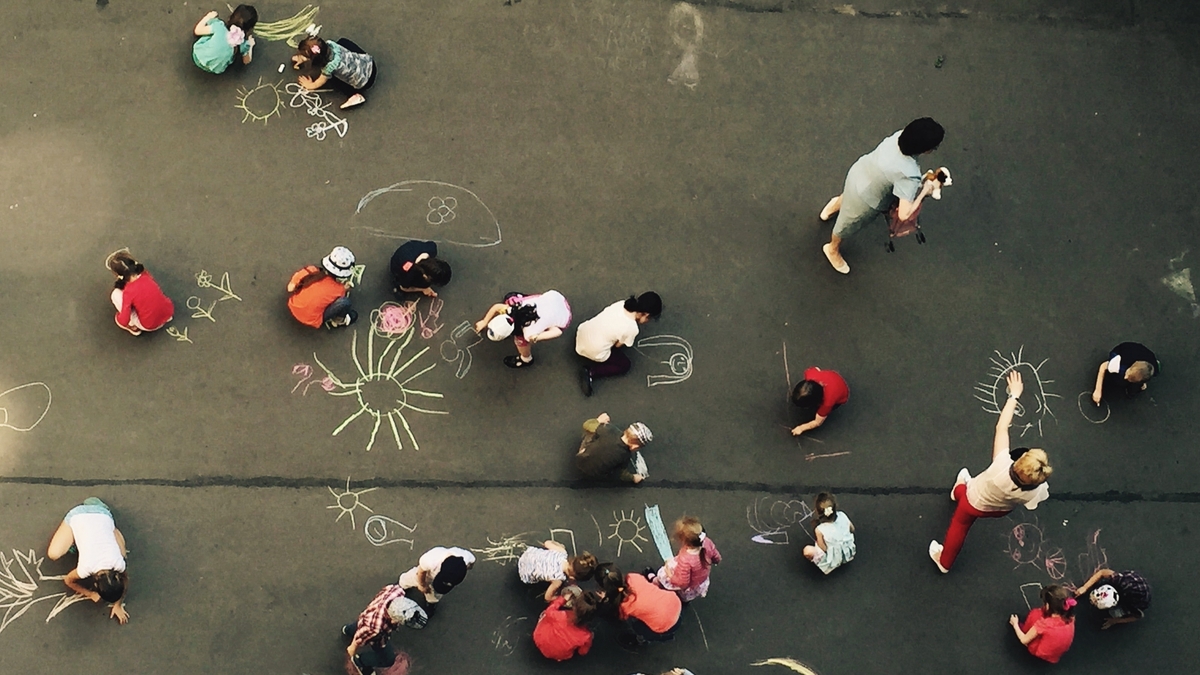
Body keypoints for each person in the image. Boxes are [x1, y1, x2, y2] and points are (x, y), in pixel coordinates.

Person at [929, 371, 1052, 573]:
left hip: (975, 500)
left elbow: (1002, 427)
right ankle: (958, 490)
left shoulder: (1001, 466)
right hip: (998, 509)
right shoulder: (1035, 491)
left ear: (1019, 462)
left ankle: (945, 561)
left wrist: (1014, 395)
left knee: (959, 525)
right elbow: (1031, 503)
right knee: (964, 494)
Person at [818, 117, 945, 274]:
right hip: (867, 200)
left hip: (859, 173)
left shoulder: (897, 137)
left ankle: (835, 205)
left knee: (848, 196)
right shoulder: (909, 175)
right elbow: (904, 214)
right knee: (846, 225)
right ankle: (832, 248)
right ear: (926, 149)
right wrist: (926, 190)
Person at [45, 497, 129, 624]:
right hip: (78, 515)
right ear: (95, 584)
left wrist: (118, 604)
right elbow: (68, 580)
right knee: (53, 554)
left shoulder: (119, 563)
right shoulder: (86, 568)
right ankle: (79, 535)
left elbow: (125, 583)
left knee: (123, 553)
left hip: (103, 515)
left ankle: (102, 515)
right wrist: (89, 594)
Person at [575, 292, 663, 396]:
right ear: (646, 314)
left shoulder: (621, 304)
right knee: (624, 365)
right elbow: (617, 346)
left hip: (582, 334)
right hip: (593, 351)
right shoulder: (632, 328)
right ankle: (591, 372)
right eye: (649, 319)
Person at [342, 584, 427, 675]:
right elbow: (359, 638)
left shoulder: (397, 591)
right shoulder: (376, 628)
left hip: (368, 615)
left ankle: (348, 630)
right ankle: (360, 662)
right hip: (372, 628)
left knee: (361, 625)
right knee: (388, 660)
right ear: (393, 620)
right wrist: (352, 649)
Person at [475, 290, 572, 369]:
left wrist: (538, 337)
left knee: (521, 342)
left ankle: (526, 359)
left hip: (564, 317)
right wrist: (484, 321)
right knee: (513, 301)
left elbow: (557, 331)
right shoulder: (514, 308)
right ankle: (520, 296)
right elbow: (496, 307)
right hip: (555, 298)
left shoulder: (529, 333)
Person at [293, 35, 377, 109]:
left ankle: (353, 95)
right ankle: (358, 58)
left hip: (365, 82)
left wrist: (310, 85)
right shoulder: (332, 44)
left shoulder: (330, 67)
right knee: (343, 41)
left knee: (332, 79)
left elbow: (319, 82)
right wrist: (304, 57)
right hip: (369, 62)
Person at [649, 516, 721, 602]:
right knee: (685, 597)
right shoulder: (707, 542)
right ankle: (683, 600)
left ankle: (656, 583)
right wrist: (716, 560)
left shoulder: (685, 560)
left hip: (687, 583)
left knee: (664, 575)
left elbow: (682, 582)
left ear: (684, 541)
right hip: (700, 579)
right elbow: (715, 555)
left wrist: (670, 575)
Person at [286, 246, 357, 329]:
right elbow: (340, 296)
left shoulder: (310, 270)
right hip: (312, 320)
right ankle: (338, 320)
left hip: (294, 306)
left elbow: (290, 288)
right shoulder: (338, 289)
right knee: (344, 302)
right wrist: (345, 288)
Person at [611, 566, 683, 647]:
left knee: (639, 628)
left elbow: (621, 617)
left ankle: (642, 640)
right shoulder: (632, 577)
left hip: (662, 623)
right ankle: (652, 577)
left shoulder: (625, 606)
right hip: (674, 602)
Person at [107, 250, 174, 336]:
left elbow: (124, 320)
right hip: (168, 311)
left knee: (115, 294)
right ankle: (166, 317)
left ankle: (133, 327)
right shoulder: (146, 275)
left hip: (150, 325)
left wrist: (119, 320)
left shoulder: (128, 292)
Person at [574, 413, 653, 484]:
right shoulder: (624, 456)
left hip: (581, 458)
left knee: (593, 432)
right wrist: (633, 478)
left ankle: (584, 450)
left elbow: (586, 425)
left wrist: (598, 421)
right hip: (594, 472)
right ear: (635, 447)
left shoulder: (609, 430)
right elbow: (622, 474)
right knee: (614, 467)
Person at [1009, 585, 1076, 664]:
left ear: (1048, 605)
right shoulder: (1070, 617)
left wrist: (1015, 624)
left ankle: (1025, 630)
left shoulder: (1045, 624)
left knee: (1035, 614)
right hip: (1055, 656)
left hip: (1040, 652)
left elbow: (1024, 640)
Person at [517, 540, 598, 602]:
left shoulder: (562, 552)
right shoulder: (558, 580)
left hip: (527, 555)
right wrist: (561, 598)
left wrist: (560, 546)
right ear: (573, 578)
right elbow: (547, 598)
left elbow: (547, 543)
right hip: (524, 572)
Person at [532, 589, 599, 661]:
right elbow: (582, 652)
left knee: (546, 614)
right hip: (560, 655)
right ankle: (558, 657)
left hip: (539, 639)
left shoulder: (559, 616)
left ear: (574, 606)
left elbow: (550, 609)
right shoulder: (586, 636)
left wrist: (563, 599)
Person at [398, 546, 475, 608]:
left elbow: (471, 562)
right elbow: (421, 571)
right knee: (409, 578)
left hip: (438, 576)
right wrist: (422, 585)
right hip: (428, 574)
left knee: (434, 594)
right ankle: (401, 586)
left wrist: (468, 567)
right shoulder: (432, 559)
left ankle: (431, 603)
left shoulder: (467, 557)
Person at [1075, 568, 1151, 629]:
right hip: (1130, 580)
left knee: (1114, 613)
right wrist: (1085, 587)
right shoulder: (1118, 581)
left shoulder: (1131, 604)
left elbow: (1138, 616)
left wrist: (1115, 621)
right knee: (1104, 580)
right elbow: (1102, 572)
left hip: (1139, 596)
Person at [191, 5, 256, 74]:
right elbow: (246, 61)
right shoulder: (243, 44)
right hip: (213, 68)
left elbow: (197, 31)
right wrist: (250, 45)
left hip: (197, 55)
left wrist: (208, 17)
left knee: (213, 35)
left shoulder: (219, 26)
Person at [802, 493, 856, 575]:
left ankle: (821, 562)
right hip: (847, 552)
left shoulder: (820, 529)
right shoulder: (842, 515)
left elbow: (823, 548)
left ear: (817, 512)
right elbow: (852, 529)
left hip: (833, 559)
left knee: (807, 550)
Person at [1092, 342, 1159, 405]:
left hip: (1140, 354)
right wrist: (1098, 390)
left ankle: (1135, 384)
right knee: (1119, 380)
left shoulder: (1154, 368)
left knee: (1135, 387)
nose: (1125, 377)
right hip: (1120, 352)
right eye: (1127, 374)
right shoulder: (1121, 362)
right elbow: (1103, 366)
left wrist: (1142, 382)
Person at [790, 367, 849, 436]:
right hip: (833, 377)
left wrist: (801, 428)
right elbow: (816, 368)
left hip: (841, 394)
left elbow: (818, 422)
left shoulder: (828, 403)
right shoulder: (810, 374)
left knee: (825, 411)